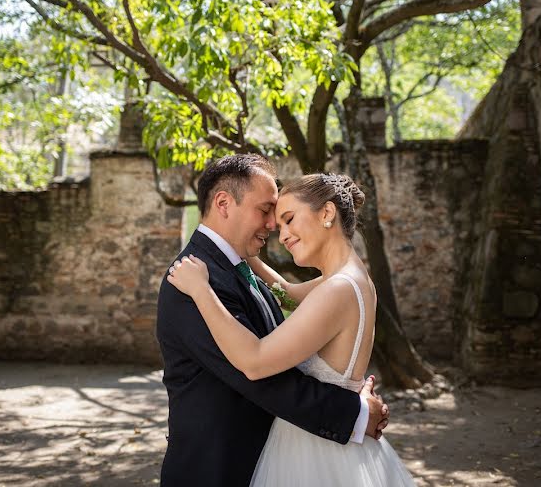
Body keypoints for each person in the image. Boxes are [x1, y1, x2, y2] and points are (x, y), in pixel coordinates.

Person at [168, 171, 417, 486]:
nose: (280, 234)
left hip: (313, 453)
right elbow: (285, 290)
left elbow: (255, 361)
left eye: (288, 219)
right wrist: (241, 250)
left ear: (326, 213)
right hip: (330, 440)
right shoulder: (351, 278)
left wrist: (202, 290)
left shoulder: (337, 290)